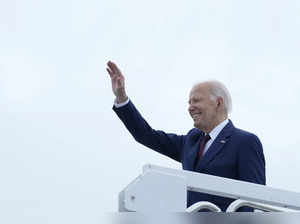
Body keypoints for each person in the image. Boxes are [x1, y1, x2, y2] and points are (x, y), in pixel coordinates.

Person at [106, 60, 266, 212]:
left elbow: (254, 201)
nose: (190, 108)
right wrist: (122, 98)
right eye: (189, 103)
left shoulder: (245, 142)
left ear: (218, 103)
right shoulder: (191, 141)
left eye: (196, 101)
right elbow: (146, 135)